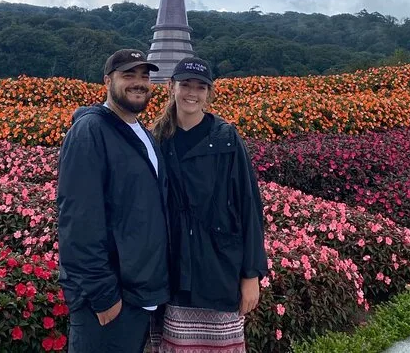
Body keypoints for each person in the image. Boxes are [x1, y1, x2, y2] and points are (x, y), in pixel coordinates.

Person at [151, 57, 268, 353]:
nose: (192, 93)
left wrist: (251, 274)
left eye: (200, 87)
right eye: (185, 85)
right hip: (173, 266)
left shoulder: (226, 138)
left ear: (209, 92)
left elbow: (248, 205)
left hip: (219, 266)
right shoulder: (158, 140)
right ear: (171, 87)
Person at [57, 49, 170, 353]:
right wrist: (102, 294)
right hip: (109, 299)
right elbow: (78, 220)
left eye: (144, 76)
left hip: (138, 294)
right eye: (128, 75)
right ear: (107, 81)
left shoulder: (142, 133)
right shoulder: (90, 131)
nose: (139, 83)